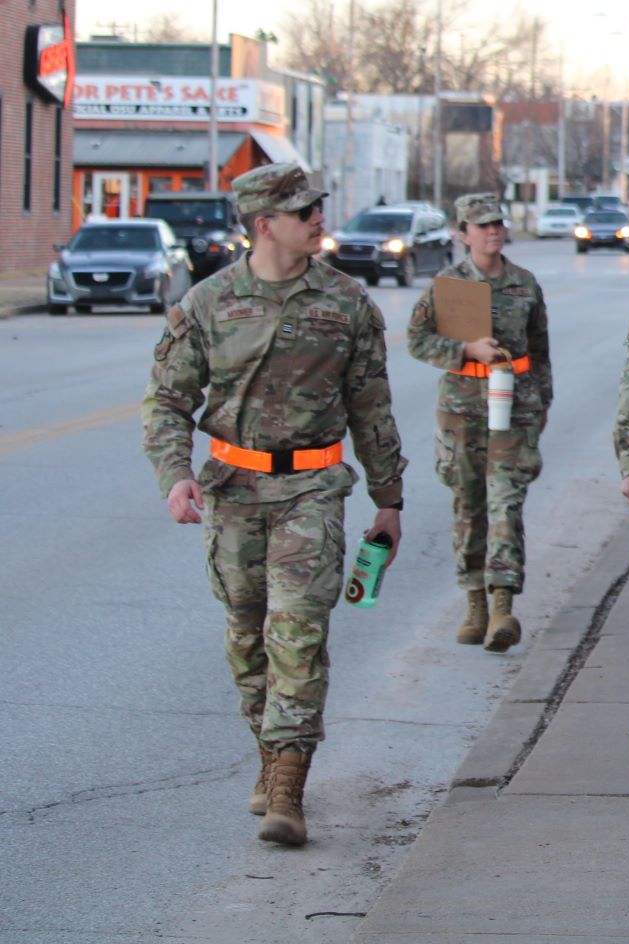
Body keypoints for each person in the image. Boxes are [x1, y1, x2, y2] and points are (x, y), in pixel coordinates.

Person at [142, 162, 406, 847]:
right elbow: (168, 400)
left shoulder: (346, 302)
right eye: (304, 211)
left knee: (298, 631)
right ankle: (268, 750)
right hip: (233, 493)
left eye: (318, 208)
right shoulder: (208, 302)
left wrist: (388, 500)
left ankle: (289, 783)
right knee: (247, 633)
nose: (319, 219)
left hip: (311, 491)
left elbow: (371, 407)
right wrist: (176, 475)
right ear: (265, 225)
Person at [405, 192, 553, 651]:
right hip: (462, 410)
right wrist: (464, 350)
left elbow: (540, 349)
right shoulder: (448, 286)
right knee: (469, 505)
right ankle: (475, 602)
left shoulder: (524, 284)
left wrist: (542, 403)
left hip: (514, 408)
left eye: (497, 223)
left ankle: (503, 605)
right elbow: (416, 339)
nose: (493, 231)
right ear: (462, 234)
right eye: (482, 225)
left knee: (505, 503)